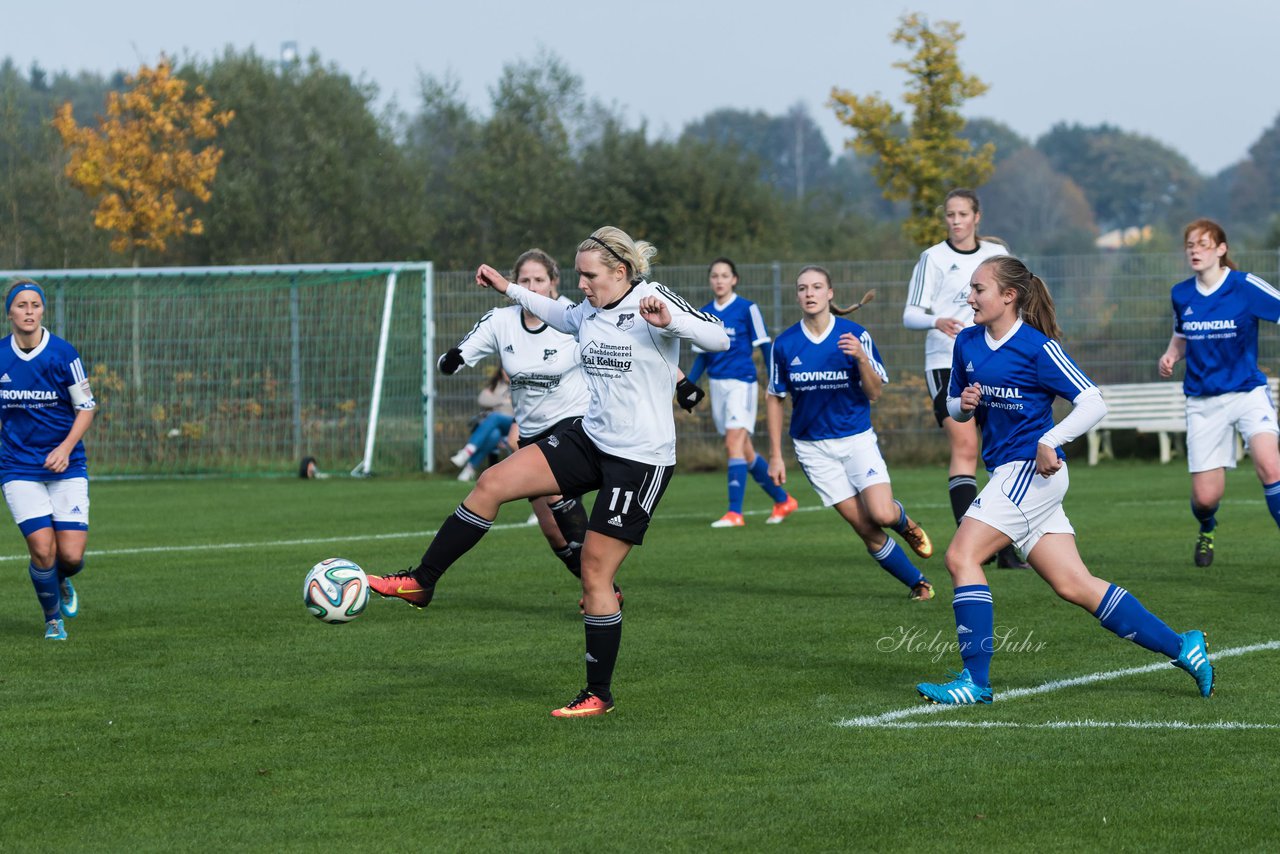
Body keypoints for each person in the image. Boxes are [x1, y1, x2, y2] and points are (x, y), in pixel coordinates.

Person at [368, 227, 729, 718]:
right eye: (577, 274)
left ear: (620, 272)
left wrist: (673, 321)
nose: (581, 283)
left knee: (596, 574)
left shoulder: (651, 298)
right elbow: (560, 312)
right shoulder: (587, 311)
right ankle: (422, 581)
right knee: (492, 482)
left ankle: (598, 693)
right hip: (591, 438)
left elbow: (719, 335)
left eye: (589, 275)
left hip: (640, 458)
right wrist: (508, 288)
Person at [915, 255, 1214, 705]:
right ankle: (1182, 645)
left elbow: (1093, 401)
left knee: (961, 558)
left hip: (1029, 473)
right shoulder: (969, 342)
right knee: (1074, 584)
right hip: (1012, 475)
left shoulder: (1038, 348)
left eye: (979, 289)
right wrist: (966, 403)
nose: (969, 297)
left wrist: (1050, 439)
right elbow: (953, 404)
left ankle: (974, 682)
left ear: (1009, 296)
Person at [766, 266, 936, 602]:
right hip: (813, 450)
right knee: (865, 528)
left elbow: (874, 393)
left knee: (883, 514)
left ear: (830, 293)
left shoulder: (856, 335)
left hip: (856, 439)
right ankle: (919, 584)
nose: (809, 294)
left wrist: (860, 358)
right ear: (797, 296)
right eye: (802, 289)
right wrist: (775, 455)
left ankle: (906, 524)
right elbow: (775, 397)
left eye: (817, 287)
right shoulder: (785, 344)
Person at [436, 248, 601, 595]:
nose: (531, 286)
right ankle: (597, 584)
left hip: (576, 424)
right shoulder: (501, 321)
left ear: (554, 283)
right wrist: (451, 361)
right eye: (524, 280)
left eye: (539, 280)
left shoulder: (575, 318)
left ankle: (599, 588)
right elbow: (463, 351)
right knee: (553, 531)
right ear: (513, 283)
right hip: (532, 433)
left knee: (555, 490)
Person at [903, 188, 1028, 569]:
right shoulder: (933, 258)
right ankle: (974, 542)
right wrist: (935, 320)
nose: (955, 221)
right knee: (965, 448)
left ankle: (1000, 546)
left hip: (992, 362)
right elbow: (909, 315)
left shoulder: (995, 257)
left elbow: (1017, 300)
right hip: (945, 363)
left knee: (996, 451)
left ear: (977, 217)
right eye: (950, 215)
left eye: (962, 214)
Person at [1158, 218, 1280, 567]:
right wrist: (1171, 354)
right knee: (1205, 498)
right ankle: (1207, 526)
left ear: (1222, 250)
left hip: (1247, 393)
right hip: (1203, 401)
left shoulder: (1244, 286)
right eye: (1190, 245)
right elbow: (1182, 335)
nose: (1195, 251)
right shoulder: (1181, 293)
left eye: (1203, 244)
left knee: (1271, 467)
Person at [0, 280, 97, 641]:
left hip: (66, 466)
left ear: (43, 310)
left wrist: (65, 448)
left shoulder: (63, 354)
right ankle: (52, 619)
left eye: (35, 305)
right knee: (42, 549)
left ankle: (61, 580)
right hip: (18, 468)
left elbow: (86, 409)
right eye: (21, 305)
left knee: (70, 557)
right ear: (9, 312)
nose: (28, 311)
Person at [687, 257, 798, 528]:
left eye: (725, 275)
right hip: (717, 385)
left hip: (742, 384)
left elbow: (764, 345)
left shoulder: (748, 309)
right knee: (744, 450)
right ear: (710, 280)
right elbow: (701, 357)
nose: (719, 280)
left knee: (733, 443)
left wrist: (776, 380)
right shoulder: (703, 313)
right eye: (715, 275)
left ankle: (735, 513)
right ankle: (783, 501)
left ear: (734, 279)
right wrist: (688, 385)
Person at [449, 369, 515, 482]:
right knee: (494, 435)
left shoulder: (521, 384)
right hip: (498, 427)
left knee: (495, 416)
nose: (507, 373)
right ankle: (469, 469)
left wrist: (499, 402)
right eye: (504, 370)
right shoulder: (496, 385)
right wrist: (502, 401)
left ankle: (467, 451)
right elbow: (482, 399)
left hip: (515, 424)